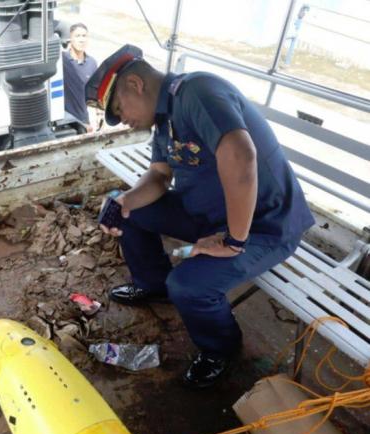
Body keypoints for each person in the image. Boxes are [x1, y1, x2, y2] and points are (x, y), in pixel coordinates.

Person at [85, 45, 314, 388]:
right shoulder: (164, 120)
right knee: (127, 209)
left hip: (263, 225)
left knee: (189, 286)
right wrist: (126, 201)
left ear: (135, 84)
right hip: (208, 215)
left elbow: (241, 154)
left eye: (119, 108)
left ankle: (220, 349)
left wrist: (233, 240)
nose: (125, 119)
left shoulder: (198, 92)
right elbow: (160, 176)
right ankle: (153, 285)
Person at [62, 23, 98, 130]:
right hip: (64, 122)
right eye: (77, 36)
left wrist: (99, 117)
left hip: (84, 122)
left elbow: (96, 93)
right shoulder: (62, 60)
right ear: (70, 39)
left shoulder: (92, 63)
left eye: (84, 36)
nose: (81, 40)